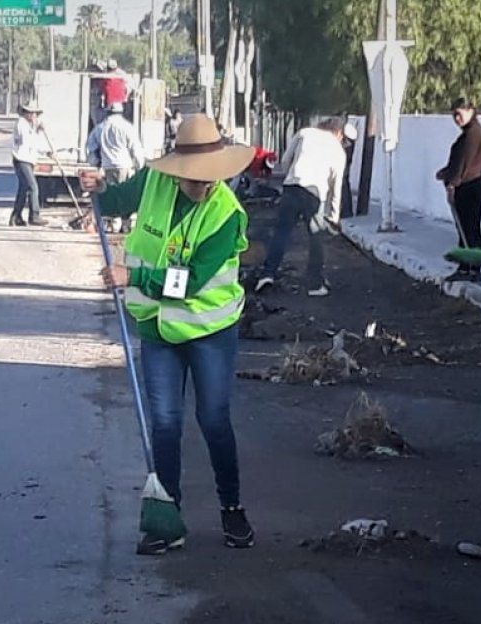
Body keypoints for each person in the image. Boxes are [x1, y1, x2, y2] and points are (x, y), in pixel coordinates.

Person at [81, 113, 256, 556]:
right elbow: (118, 200)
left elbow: (190, 281)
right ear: (177, 170)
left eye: (211, 178)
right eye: (195, 179)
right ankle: (167, 518)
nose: (204, 186)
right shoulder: (156, 181)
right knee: (164, 423)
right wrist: (99, 188)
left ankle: (232, 508)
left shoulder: (226, 215)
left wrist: (131, 276)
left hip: (210, 331)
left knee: (213, 420)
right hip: (159, 329)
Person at [255, 117, 348, 297]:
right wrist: (334, 216)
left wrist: (290, 178)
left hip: (292, 186)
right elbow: (336, 187)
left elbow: (284, 160)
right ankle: (314, 284)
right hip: (314, 193)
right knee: (316, 237)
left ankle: (267, 275)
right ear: (338, 133)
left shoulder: (304, 133)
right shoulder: (338, 150)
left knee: (281, 232)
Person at [435, 98, 481, 282]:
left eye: (460, 113)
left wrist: (452, 184)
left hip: (470, 187)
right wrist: (446, 172)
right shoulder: (468, 133)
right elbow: (458, 162)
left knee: (470, 230)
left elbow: (464, 164)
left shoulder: (473, 134)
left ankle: (474, 270)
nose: (457, 118)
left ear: (471, 111)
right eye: (454, 114)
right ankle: (466, 268)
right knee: (465, 229)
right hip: (467, 186)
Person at [86, 102, 146, 233]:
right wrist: (140, 167)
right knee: (127, 196)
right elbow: (135, 148)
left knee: (112, 195)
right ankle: (127, 227)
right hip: (125, 166)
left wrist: (95, 163)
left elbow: (91, 147)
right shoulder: (127, 127)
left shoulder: (100, 128)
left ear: (107, 112)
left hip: (108, 167)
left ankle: (115, 226)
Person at [11, 101, 49, 227]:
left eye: (35, 114)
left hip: (28, 160)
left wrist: (47, 153)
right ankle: (34, 215)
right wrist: (36, 130)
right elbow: (27, 142)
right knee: (33, 187)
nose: (34, 116)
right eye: (32, 113)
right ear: (26, 113)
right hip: (22, 160)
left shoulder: (29, 126)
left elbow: (35, 145)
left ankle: (16, 217)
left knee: (23, 189)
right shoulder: (21, 124)